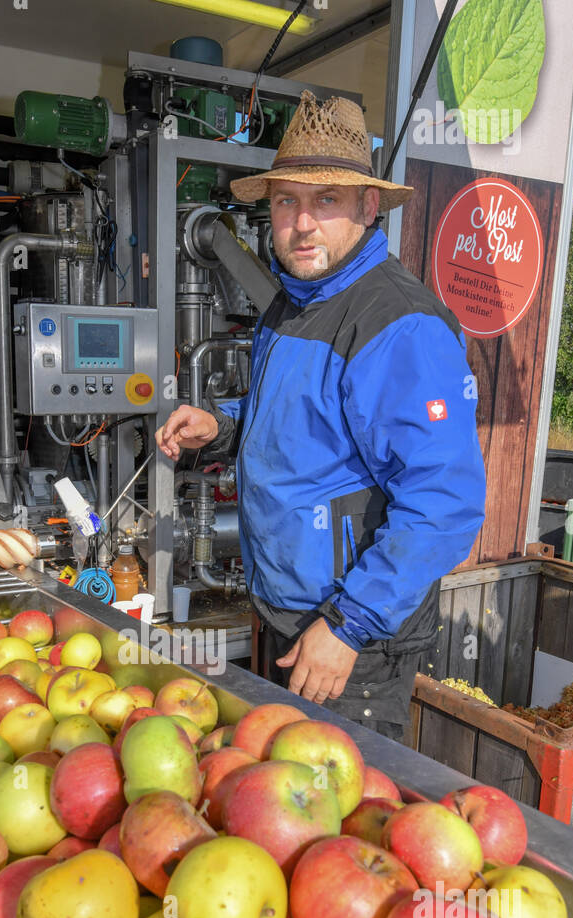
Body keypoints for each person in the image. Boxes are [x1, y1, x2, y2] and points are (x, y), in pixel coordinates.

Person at [156, 91, 487, 743]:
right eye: (286, 201)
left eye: (325, 201)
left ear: (367, 207)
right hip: (287, 611)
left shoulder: (399, 326)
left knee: (331, 823)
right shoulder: (291, 304)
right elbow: (302, 419)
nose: (301, 224)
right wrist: (221, 426)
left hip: (349, 641)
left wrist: (345, 627)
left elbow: (443, 503)